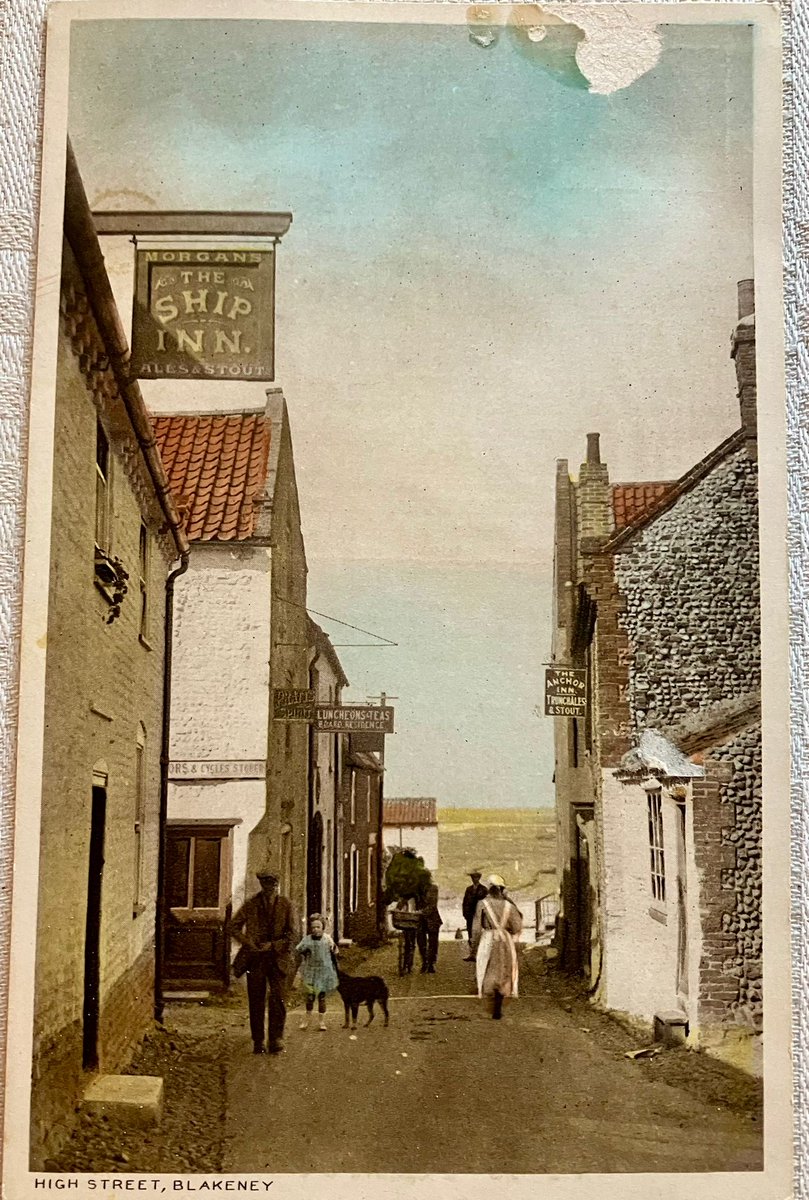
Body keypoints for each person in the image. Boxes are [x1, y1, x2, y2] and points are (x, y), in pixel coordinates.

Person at [231, 869, 297, 1054]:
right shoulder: (251, 904)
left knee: (278, 999)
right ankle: (258, 1040)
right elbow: (233, 926)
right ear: (261, 885)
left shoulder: (286, 905)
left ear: (277, 885)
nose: (270, 888)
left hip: (279, 959)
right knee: (256, 1000)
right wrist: (248, 942)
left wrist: (274, 945)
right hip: (256, 959)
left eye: (273, 885)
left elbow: (293, 935)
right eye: (267, 885)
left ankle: (276, 1038)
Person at [470, 874, 523, 1020]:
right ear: (502, 889)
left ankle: (491, 997)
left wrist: (473, 947)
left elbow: (475, 929)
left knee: (487, 967)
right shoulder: (509, 906)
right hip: (505, 940)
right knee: (503, 969)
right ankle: (499, 1000)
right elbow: (517, 926)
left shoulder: (482, 904)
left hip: (488, 938)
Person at [295, 913, 339, 1030]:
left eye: (318, 927)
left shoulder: (327, 939)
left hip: (324, 972)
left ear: (323, 928)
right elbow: (299, 949)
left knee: (322, 997)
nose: (315, 930)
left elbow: (335, 951)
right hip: (311, 972)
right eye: (313, 927)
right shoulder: (307, 940)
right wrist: (304, 952)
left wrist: (333, 949)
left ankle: (322, 1022)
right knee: (310, 997)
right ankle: (306, 1020)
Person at [462, 870, 488, 961]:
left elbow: (486, 904)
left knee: (479, 934)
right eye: (473, 878)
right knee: (470, 934)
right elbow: (465, 902)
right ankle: (472, 954)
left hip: (480, 915)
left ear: (479, 878)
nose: (474, 879)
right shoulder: (468, 889)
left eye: (476, 877)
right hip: (470, 915)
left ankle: (479, 954)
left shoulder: (484, 889)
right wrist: (465, 913)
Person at [417, 883, 443, 973]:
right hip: (420, 920)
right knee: (421, 942)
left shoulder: (433, 888)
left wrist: (422, 912)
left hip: (433, 919)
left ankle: (431, 964)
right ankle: (424, 962)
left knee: (433, 943)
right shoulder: (416, 889)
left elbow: (433, 904)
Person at [395, 896, 419, 974]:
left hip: (413, 924)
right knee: (408, 945)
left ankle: (409, 965)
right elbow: (398, 909)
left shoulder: (416, 900)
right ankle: (405, 965)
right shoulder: (402, 900)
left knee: (411, 945)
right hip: (405, 924)